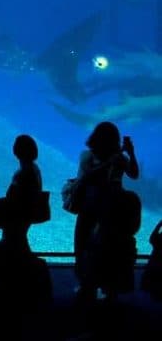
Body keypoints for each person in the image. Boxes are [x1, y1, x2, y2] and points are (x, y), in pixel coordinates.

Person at [69, 121, 139, 301]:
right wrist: (111, 161)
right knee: (85, 246)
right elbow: (88, 175)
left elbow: (134, 174)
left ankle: (107, 287)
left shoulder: (119, 157)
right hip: (91, 207)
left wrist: (130, 153)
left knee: (108, 249)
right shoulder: (88, 156)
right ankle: (87, 285)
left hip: (112, 210)